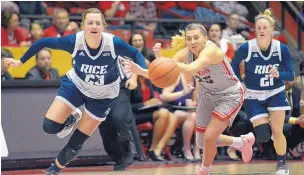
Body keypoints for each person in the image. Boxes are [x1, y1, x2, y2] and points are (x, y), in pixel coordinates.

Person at [4, 8, 147, 175]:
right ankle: (71, 119)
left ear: (104, 26)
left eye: (98, 23)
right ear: (83, 26)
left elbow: (136, 53)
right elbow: (42, 42)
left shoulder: (113, 43)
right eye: (90, 23)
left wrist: (143, 70)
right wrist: (20, 62)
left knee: (77, 141)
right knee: (49, 126)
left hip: (104, 95)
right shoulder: (74, 41)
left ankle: (54, 170)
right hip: (76, 85)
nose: (94, 26)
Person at [124, 23, 255, 175]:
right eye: (189, 39)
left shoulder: (211, 50)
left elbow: (191, 68)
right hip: (207, 94)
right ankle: (241, 142)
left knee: (209, 136)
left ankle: (204, 171)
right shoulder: (186, 52)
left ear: (205, 38)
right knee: (201, 141)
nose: (192, 42)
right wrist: (142, 71)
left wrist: (166, 62)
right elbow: (165, 72)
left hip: (229, 95)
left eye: (196, 38)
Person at [232, 9, 295, 175]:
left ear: (271, 28)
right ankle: (266, 134)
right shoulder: (247, 47)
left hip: (275, 92)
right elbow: (233, 67)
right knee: (263, 137)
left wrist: (278, 74)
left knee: (278, 131)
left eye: (264, 27)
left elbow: (291, 75)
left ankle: (282, 165)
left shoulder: (282, 49)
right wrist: (241, 81)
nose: (261, 31)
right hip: (253, 95)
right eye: (258, 28)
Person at [161, 73, 201, 161]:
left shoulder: (195, 80)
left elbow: (195, 102)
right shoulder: (176, 77)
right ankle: (186, 149)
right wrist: (182, 93)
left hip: (187, 111)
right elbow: (164, 95)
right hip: (172, 110)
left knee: (198, 116)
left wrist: (192, 103)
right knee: (193, 116)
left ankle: (196, 148)